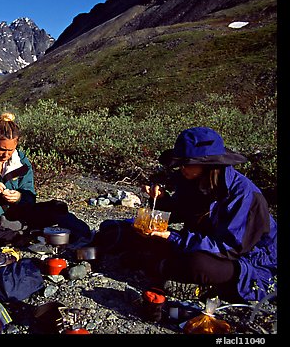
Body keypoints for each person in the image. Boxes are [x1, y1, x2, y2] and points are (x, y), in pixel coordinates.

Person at [92, 126, 277, 303]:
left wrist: (172, 237)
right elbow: (179, 214)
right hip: (200, 243)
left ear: (208, 164)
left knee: (198, 264)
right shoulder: (194, 180)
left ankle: (164, 268)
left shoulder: (245, 196)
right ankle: (161, 266)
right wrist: (162, 200)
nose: (181, 168)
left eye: (186, 164)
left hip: (240, 259)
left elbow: (227, 248)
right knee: (124, 228)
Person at [0, 112, 92, 252]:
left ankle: (84, 234)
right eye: (2, 149)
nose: (6, 155)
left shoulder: (21, 162)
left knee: (58, 207)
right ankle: (31, 235)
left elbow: (30, 196)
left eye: (11, 150)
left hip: (17, 212)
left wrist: (19, 197)